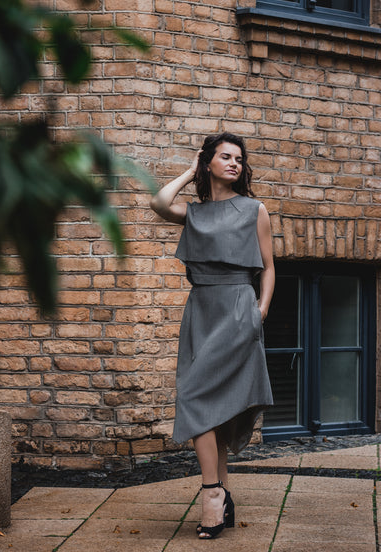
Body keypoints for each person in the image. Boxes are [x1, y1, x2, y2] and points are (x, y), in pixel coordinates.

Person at [150, 132, 274, 540]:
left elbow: (269, 267)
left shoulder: (255, 209)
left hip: (238, 309)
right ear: (209, 163)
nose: (235, 163)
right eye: (225, 157)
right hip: (201, 310)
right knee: (211, 411)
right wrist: (190, 171)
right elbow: (158, 203)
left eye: (239, 158)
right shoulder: (196, 214)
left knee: (195, 398)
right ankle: (223, 492)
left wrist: (260, 311)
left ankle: (211, 495)